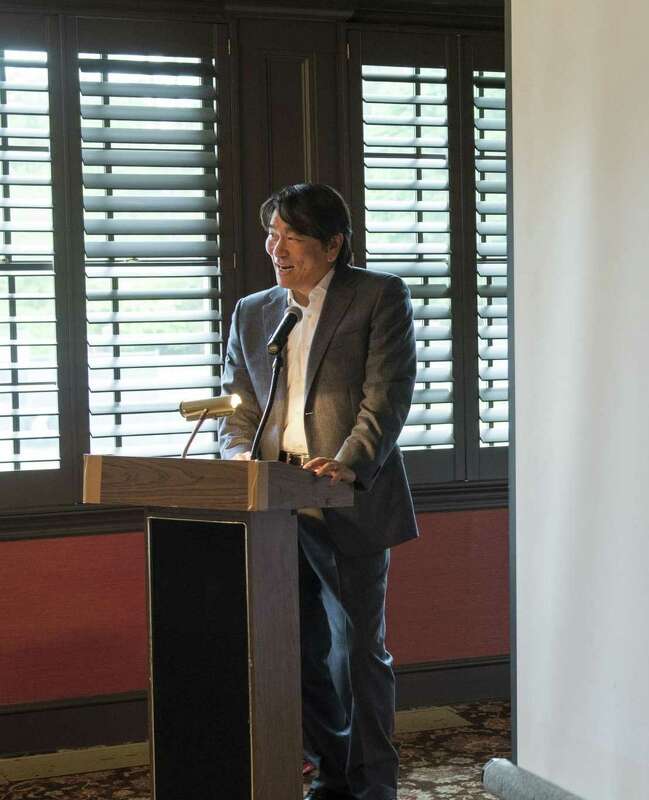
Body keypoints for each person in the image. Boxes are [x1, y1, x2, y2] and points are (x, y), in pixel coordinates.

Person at [219, 182, 419, 799]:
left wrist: (349, 463)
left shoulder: (377, 297)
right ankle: (327, 779)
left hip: (345, 499)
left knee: (354, 654)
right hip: (273, 507)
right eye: (272, 235)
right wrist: (235, 464)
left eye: (293, 238)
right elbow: (238, 404)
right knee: (298, 653)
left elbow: (386, 396)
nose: (277, 248)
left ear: (332, 245)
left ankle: (371, 787)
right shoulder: (255, 311)